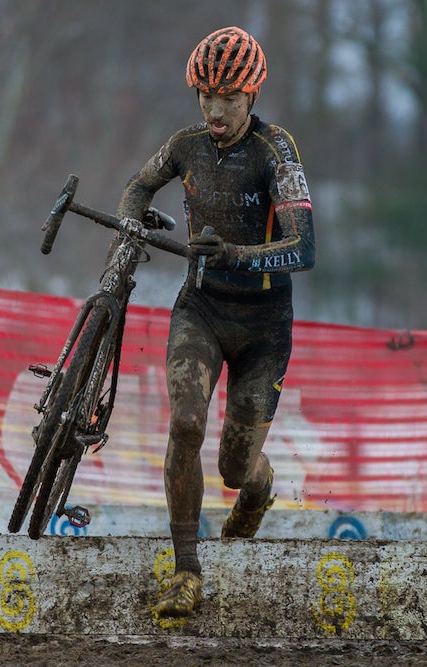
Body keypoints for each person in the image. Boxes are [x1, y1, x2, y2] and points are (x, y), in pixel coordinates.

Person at [115, 26, 315, 616]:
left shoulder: (276, 150)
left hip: (264, 326)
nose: (214, 109)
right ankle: (186, 570)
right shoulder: (185, 145)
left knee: (234, 469)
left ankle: (259, 489)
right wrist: (131, 220)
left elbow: (305, 250)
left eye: (227, 97)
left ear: (251, 96)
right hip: (200, 310)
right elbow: (137, 185)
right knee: (185, 422)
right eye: (204, 95)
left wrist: (236, 255)